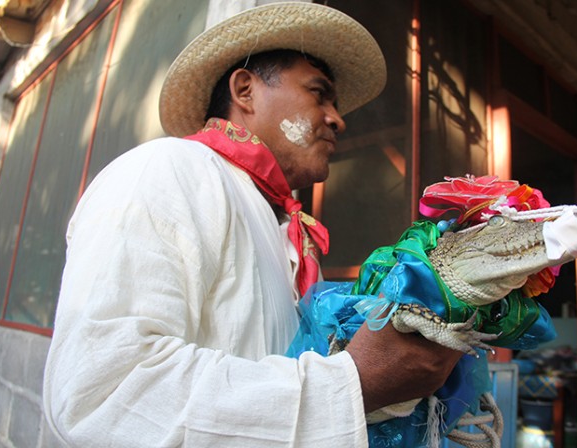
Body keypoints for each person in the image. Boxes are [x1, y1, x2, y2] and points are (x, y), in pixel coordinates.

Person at [43, 3, 462, 446]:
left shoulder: (281, 226)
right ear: (245, 90)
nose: (338, 119)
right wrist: (354, 383)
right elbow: (102, 393)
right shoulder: (167, 170)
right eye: (319, 93)